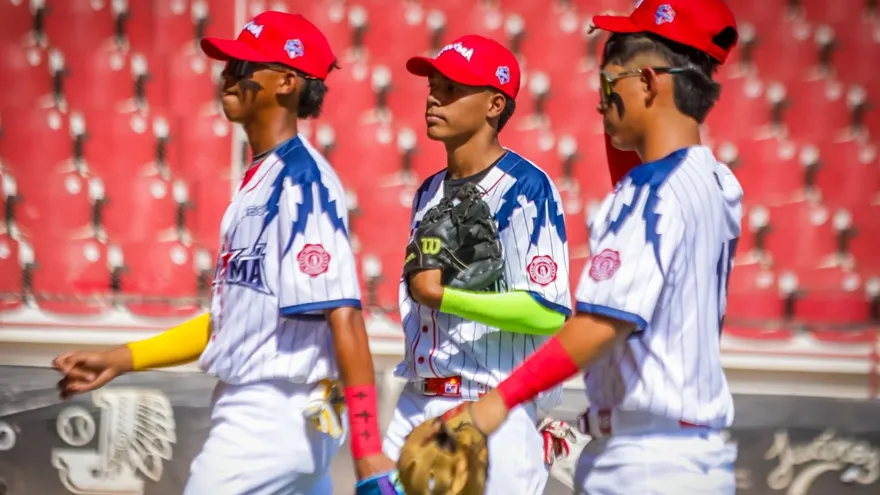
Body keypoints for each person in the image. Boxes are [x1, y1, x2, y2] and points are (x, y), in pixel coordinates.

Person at [51, 11, 399, 495]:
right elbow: (233, 321)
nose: (228, 75)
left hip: (269, 416)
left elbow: (345, 315)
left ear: (286, 82)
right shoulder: (262, 181)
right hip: (281, 416)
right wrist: (123, 357)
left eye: (244, 65)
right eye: (229, 64)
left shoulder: (303, 181)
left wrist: (367, 452)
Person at [402, 0, 744, 493]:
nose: (600, 101)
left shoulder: (649, 192)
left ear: (649, 82)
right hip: (692, 453)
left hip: (645, 460)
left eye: (609, 84)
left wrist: (493, 406)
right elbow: (641, 160)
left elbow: (600, 322)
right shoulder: (715, 181)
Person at [381, 34, 573, 495]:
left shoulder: (528, 188)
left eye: (452, 88)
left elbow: (548, 310)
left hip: (492, 412)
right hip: (416, 404)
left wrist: (446, 297)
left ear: (494, 104)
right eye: (434, 85)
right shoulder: (427, 191)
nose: (434, 97)